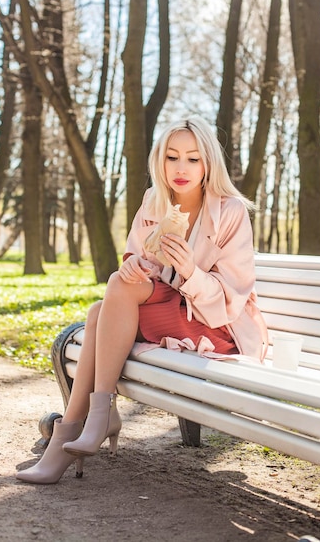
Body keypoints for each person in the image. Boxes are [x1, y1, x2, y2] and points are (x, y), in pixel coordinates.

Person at [16, 115, 269, 484]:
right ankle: (85, 422)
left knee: (101, 310)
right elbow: (137, 262)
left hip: (216, 327)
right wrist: (135, 263)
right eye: (172, 157)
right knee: (102, 307)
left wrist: (191, 271)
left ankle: (83, 425)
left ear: (208, 163)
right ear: (160, 161)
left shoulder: (229, 212)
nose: (181, 168)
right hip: (167, 310)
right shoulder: (154, 201)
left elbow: (232, 298)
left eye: (192, 158)